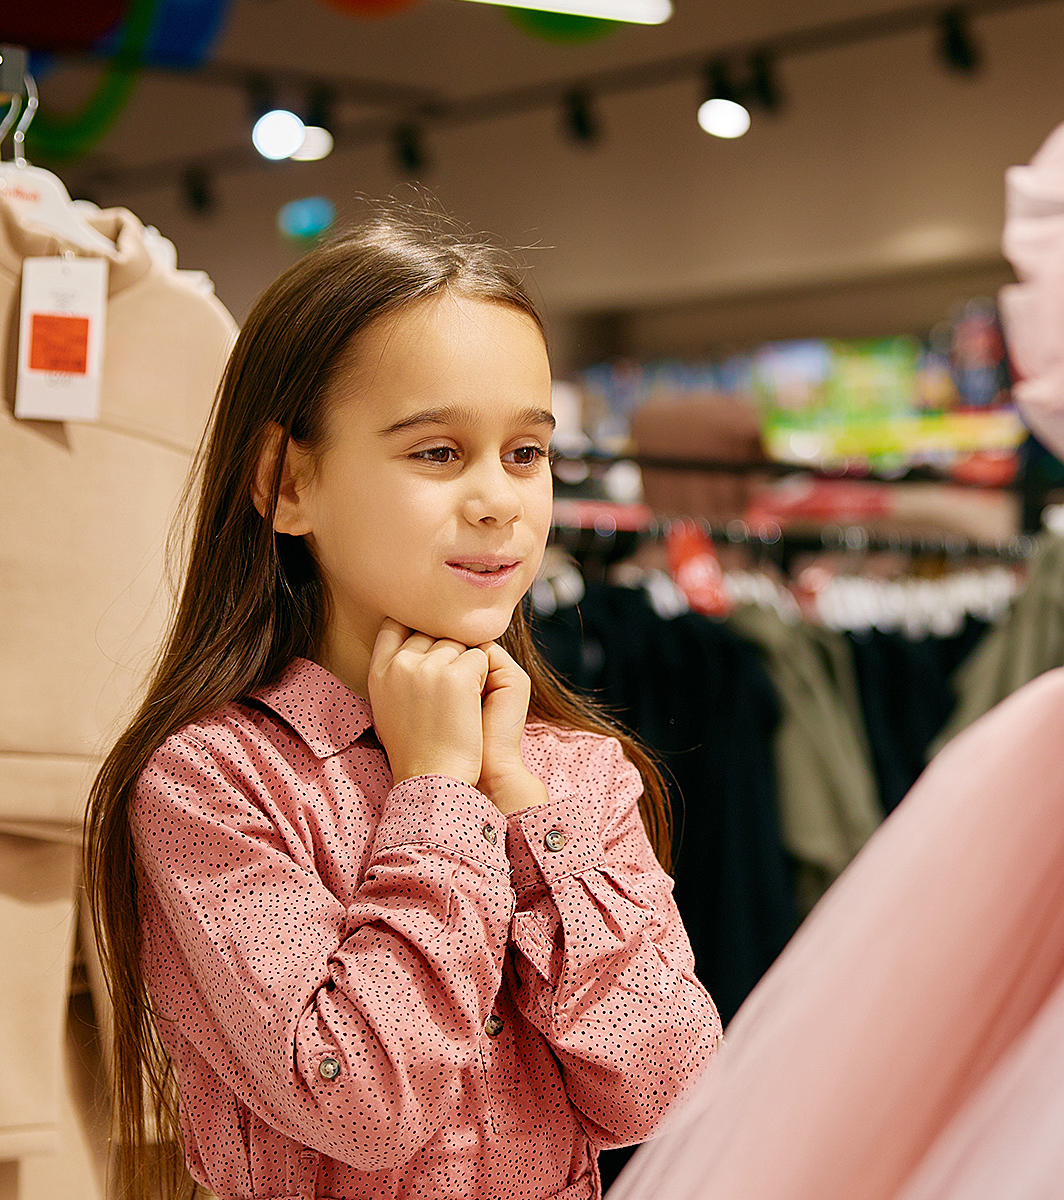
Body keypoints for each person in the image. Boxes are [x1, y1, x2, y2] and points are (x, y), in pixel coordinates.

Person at [80, 209, 722, 1200]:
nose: (499, 500)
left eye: (526, 454)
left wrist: (518, 799)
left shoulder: (574, 771)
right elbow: (365, 1101)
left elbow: (665, 1089)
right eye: (436, 453)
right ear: (286, 483)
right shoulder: (214, 778)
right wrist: (436, 798)